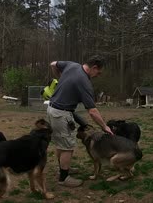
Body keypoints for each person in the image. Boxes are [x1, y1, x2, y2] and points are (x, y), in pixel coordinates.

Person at [46, 55, 113, 187]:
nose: (98, 75)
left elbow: (53, 64)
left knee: (60, 143)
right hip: (61, 114)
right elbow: (92, 111)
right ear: (94, 67)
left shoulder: (72, 65)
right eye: (98, 72)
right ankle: (64, 178)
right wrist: (105, 127)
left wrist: (60, 78)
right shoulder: (84, 82)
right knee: (68, 147)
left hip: (51, 109)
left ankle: (63, 169)